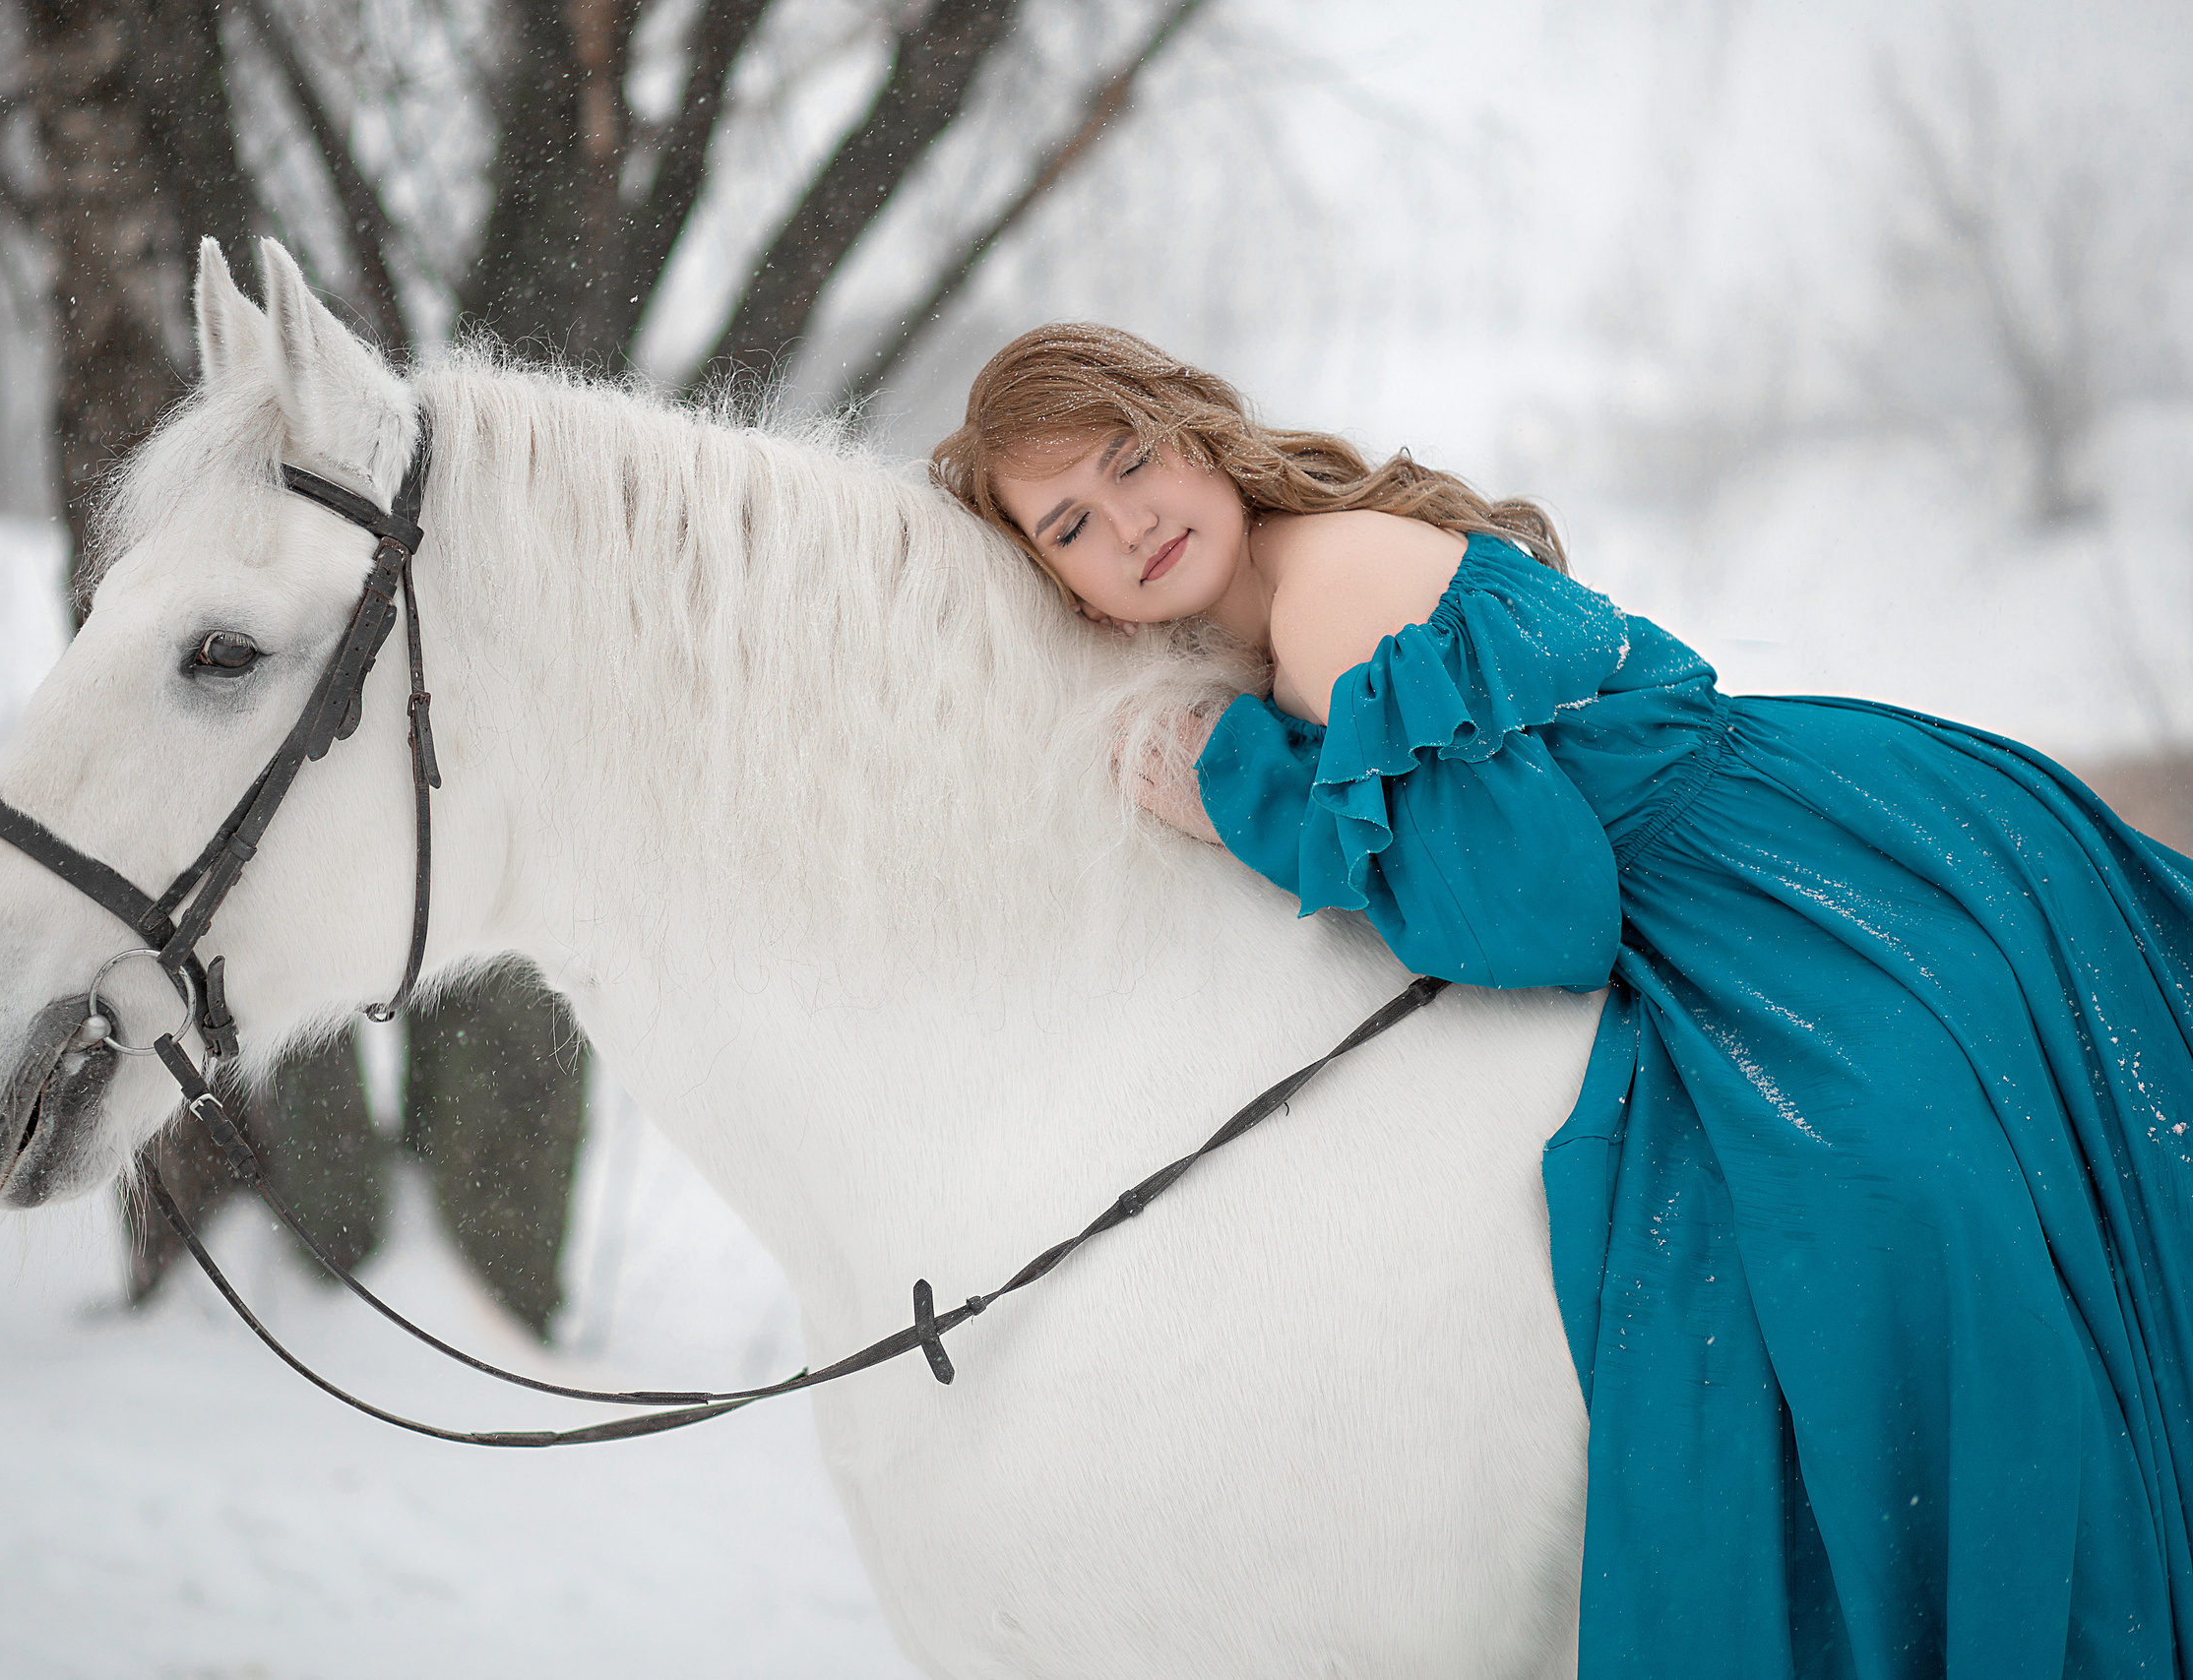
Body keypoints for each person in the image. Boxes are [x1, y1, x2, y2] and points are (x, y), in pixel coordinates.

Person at [929, 322, 2193, 1678]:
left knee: (1895, 1198)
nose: (1129, 523)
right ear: (1059, 581)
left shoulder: (1330, 596)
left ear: (1196, 436)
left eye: (1133, 462)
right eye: (1070, 523)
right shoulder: (1278, 614)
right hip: (1763, 859)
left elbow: (1539, 917)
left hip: (1775, 876)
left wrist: (1241, 792)